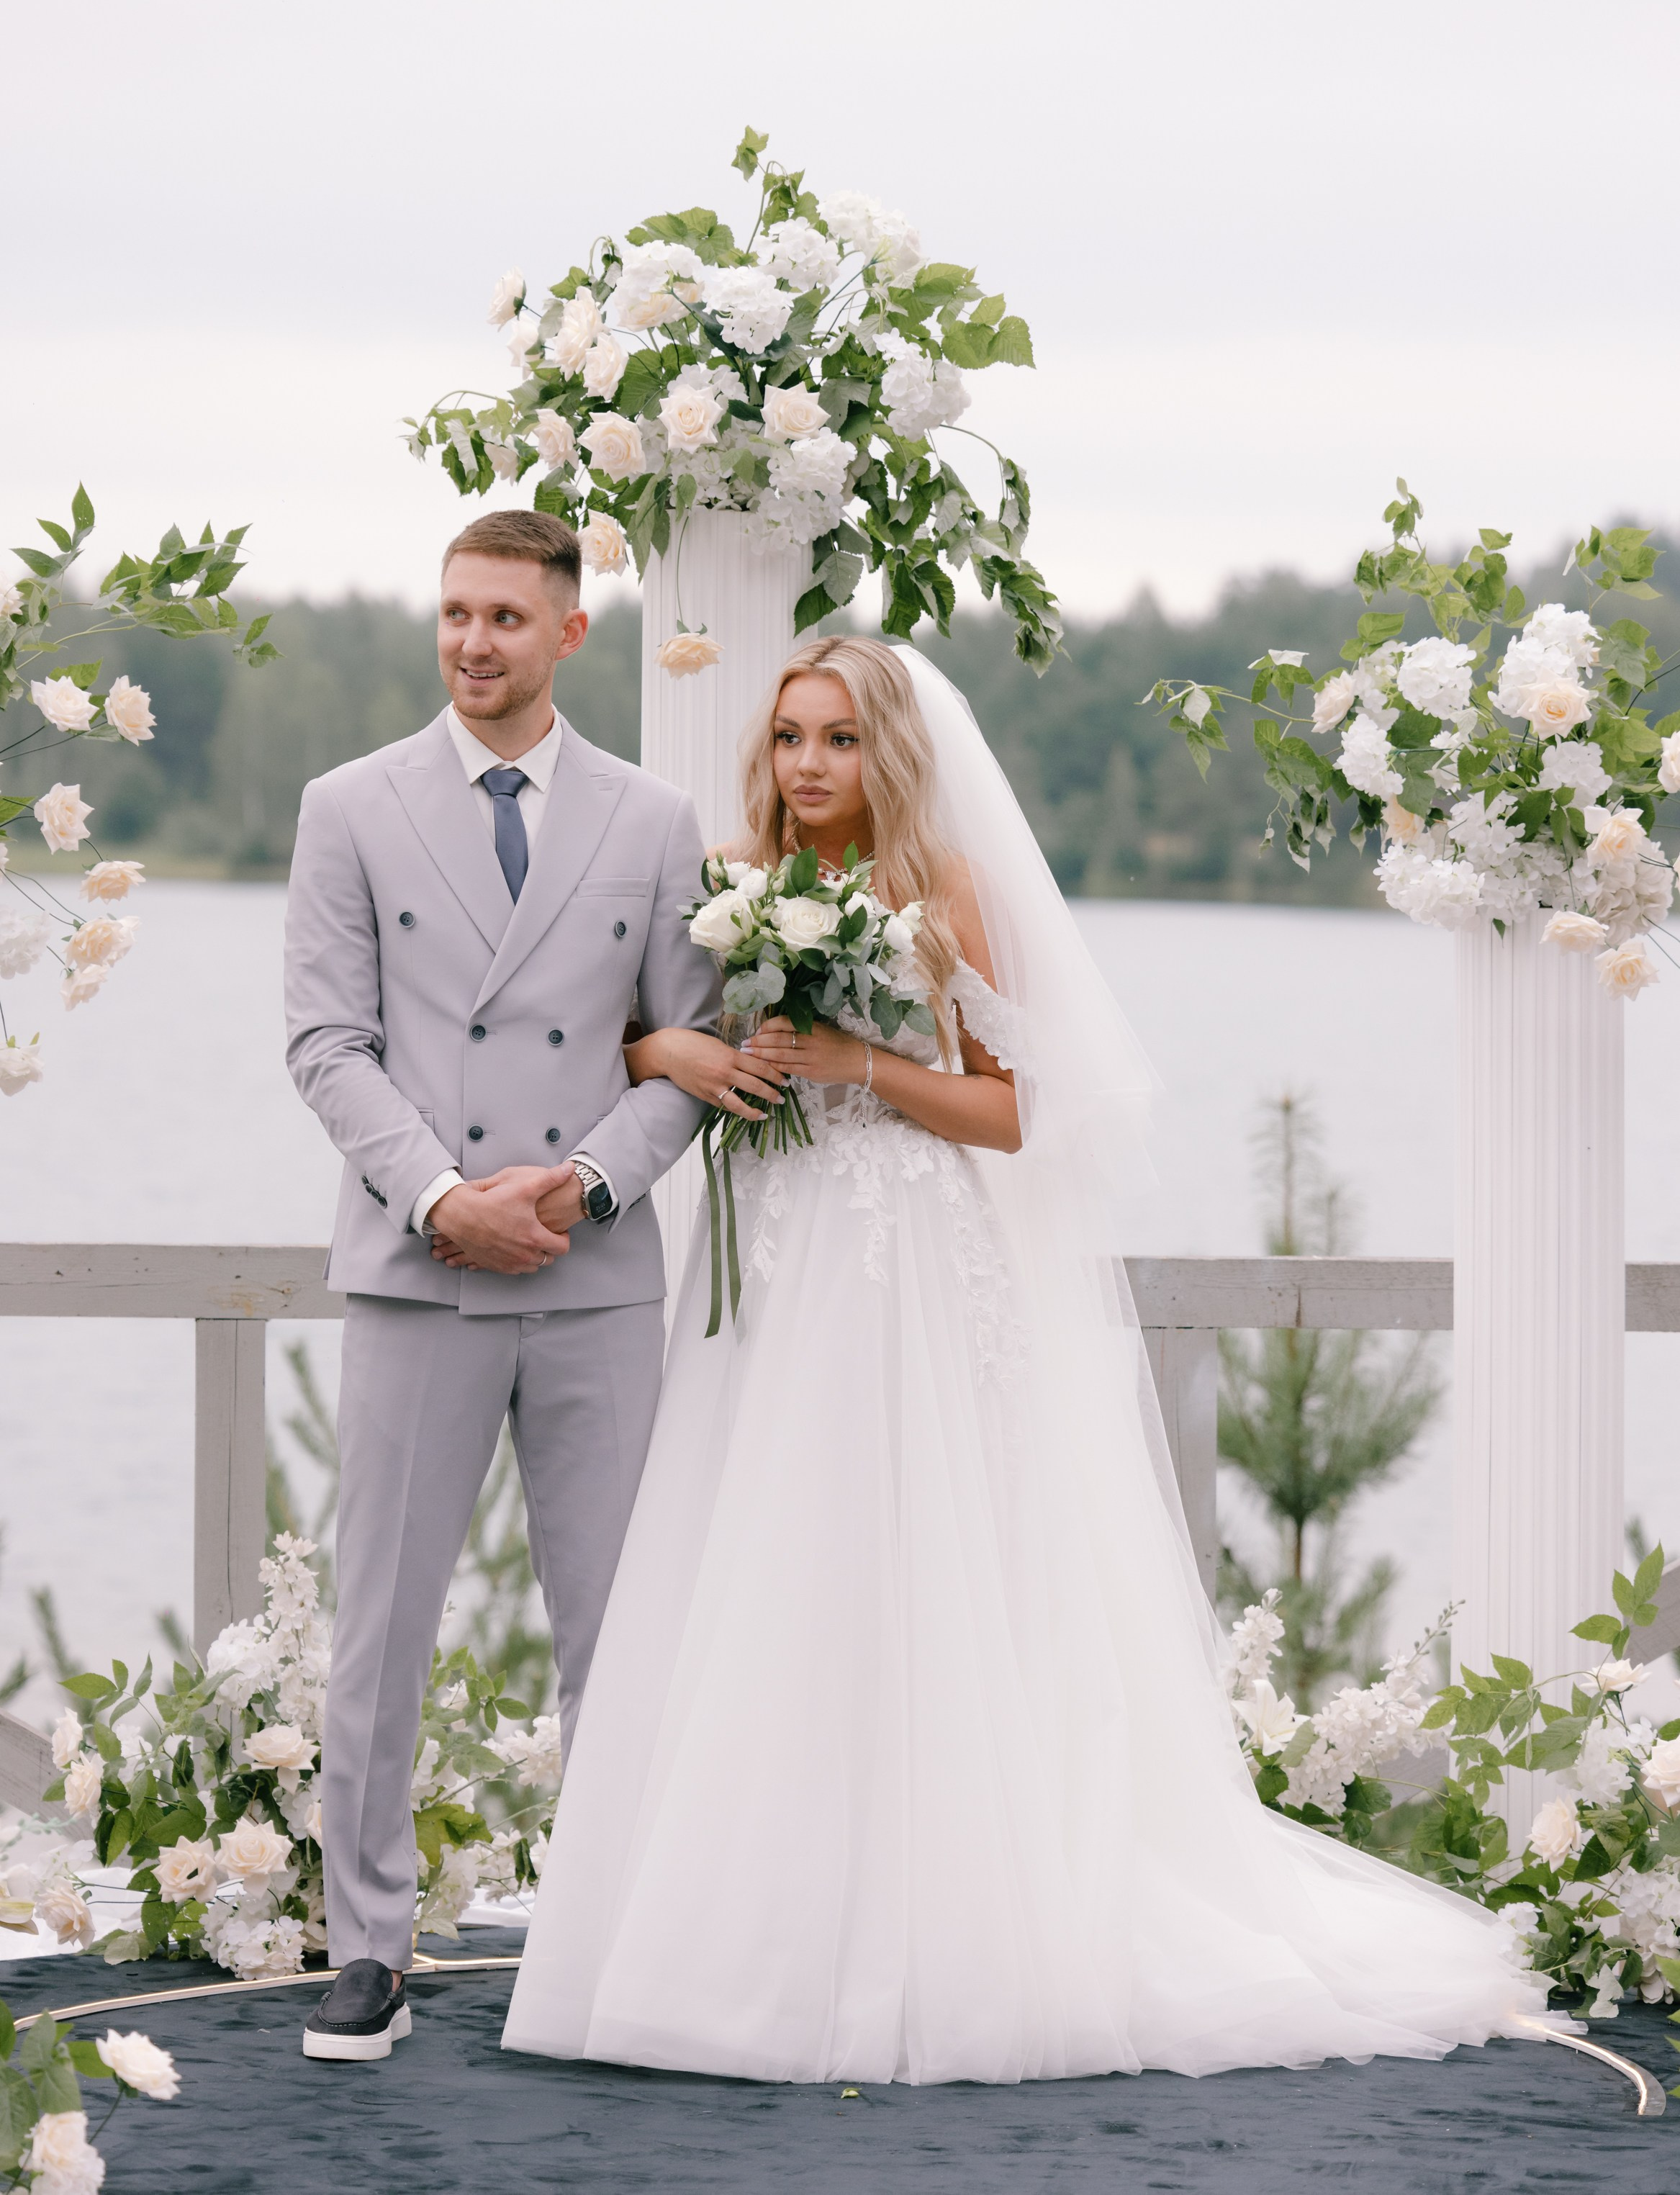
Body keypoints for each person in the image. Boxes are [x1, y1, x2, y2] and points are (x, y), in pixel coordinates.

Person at [489, 635, 1543, 2085]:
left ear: (890, 755)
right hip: (772, 1267)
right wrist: (681, 1056)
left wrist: (859, 1066)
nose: (810, 764)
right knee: (770, 1565)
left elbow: (1014, 1112)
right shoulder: (733, 876)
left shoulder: (943, 890)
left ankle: (949, 1922)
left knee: (920, 1564)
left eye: (842, 739)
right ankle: (749, 1926)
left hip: (909, 1258)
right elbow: (622, 1034)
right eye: (792, 735)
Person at [281, 506, 717, 2062]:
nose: (474, 643)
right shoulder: (349, 806)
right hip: (417, 1267)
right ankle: (370, 1946)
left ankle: (608, 1944)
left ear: (569, 633)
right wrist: (447, 1195)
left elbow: (689, 1054)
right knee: (381, 1625)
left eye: (507, 620)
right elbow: (325, 1041)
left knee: (617, 1626)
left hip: (593, 1275)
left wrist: (586, 1185)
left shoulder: (656, 822)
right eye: (456, 613)